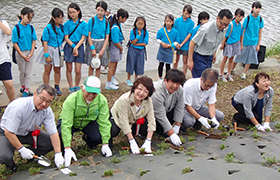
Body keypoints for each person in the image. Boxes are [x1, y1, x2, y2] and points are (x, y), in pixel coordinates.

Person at [0, 84, 64, 172]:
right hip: (7, 133)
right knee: (4, 156)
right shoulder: (19, 107)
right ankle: (11, 166)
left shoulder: (47, 111)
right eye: (42, 99)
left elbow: (53, 133)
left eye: (49, 101)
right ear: (35, 94)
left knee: (50, 143)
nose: (44, 104)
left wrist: (58, 153)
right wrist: (21, 149)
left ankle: (32, 156)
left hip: (28, 132)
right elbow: (8, 132)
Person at [57, 76, 114, 167]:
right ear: (82, 88)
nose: (91, 96)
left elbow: (104, 122)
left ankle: (88, 139)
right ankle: (64, 152)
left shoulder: (101, 100)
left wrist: (105, 143)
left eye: (94, 93)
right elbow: (66, 124)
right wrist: (67, 146)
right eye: (89, 92)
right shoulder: (71, 100)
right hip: (73, 121)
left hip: (88, 122)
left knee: (98, 137)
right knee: (60, 133)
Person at [111, 76, 156, 154]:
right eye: (140, 89)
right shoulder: (124, 100)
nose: (141, 93)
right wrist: (132, 141)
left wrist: (148, 140)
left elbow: (152, 119)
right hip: (118, 118)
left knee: (146, 129)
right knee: (113, 130)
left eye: (146, 91)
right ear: (134, 88)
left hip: (134, 119)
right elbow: (123, 122)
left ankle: (137, 134)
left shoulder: (148, 101)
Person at [188, 9, 233, 78]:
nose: (223, 26)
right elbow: (192, 43)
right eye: (222, 23)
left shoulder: (225, 28)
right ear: (217, 18)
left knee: (208, 78)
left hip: (209, 57)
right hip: (199, 56)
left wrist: (214, 53)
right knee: (201, 79)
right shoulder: (205, 29)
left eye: (226, 24)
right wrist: (190, 60)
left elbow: (216, 42)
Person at [151, 69, 185, 146]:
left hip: (166, 111)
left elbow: (180, 107)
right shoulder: (156, 92)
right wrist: (172, 134)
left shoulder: (180, 90)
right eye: (172, 82)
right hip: (153, 116)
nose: (175, 86)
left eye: (178, 83)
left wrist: (177, 126)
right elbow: (160, 115)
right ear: (165, 80)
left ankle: (164, 130)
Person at [36, 8, 64, 96]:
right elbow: (45, 42)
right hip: (49, 49)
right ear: (54, 18)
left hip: (58, 49)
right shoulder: (47, 28)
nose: (61, 20)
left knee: (57, 70)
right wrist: (46, 54)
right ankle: (46, 87)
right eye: (59, 18)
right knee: (47, 70)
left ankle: (56, 86)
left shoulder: (62, 27)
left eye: (62, 17)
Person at [232, 2, 263, 80]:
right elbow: (243, 31)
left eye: (259, 8)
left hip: (254, 42)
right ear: (252, 8)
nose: (258, 10)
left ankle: (244, 73)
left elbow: (260, 32)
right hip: (246, 41)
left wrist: (258, 44)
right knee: (238, 57)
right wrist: (241, 43)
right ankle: (231, 70)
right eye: (256, 8)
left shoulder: (260, 19)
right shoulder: (248, 18)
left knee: (250, 59)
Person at [12, 7, 37, 97]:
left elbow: (34, 40)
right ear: (22, 16)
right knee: (22, 71)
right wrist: (22, 55)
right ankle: (23, 87)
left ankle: (27, 89)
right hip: (20, 52)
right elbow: (15, 43)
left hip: (30, 52)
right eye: (28, 18)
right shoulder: (16, 28)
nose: (29, 20)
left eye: (31, 18)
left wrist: (31, 53)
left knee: (28, 71)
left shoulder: (31, 28)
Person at [64, 3, 88, 94]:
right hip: (69, 46)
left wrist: (77, 47)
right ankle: (71, 86)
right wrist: (73, 47)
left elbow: (83, 37)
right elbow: (66, 37)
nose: (72, 14)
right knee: (69, 69)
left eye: (74, 12)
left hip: (79, 46)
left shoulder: (83, 24)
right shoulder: (67, 24)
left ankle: (77, 86)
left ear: (78, 11)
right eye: (70, 12)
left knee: (78, 70)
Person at [105, 9, 129, 90]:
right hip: (115, 47)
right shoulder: (115, 27)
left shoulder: (118, 24)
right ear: (120, 17)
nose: (125, 20)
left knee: (115, 64)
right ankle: (108, 83)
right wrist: (121, 48)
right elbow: (115, 41)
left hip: (118, 46)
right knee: (111, 65)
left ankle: (112, 78)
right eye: (125, 18)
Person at [85, 1, 109, 78]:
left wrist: (103, 49)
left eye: (101, 10)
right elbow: (88, 35)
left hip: (101, 43)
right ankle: (90, 83)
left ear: (105, 11)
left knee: (99, 65)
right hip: (92, 43)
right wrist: (92, 48)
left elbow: (107, 37)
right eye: (98, 10)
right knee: (92, 65)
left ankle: (97, 84)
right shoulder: (91, 21)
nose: (99, 12)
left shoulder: (106, 22)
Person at [219, 8, 244, 82]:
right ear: (235, 15)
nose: (240, 18)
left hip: (236, 44)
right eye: (239, 16)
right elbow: (226, 36)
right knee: (224, 59)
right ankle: (221, 74)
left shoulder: (241, 25)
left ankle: (229, 73)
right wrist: (222, 44)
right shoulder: (231, 24)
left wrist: (241, 45)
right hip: (229, 44)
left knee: (231, 59)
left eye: (241, 16)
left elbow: (241, 35)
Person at [125, 16, 149, 86]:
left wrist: (136, 43)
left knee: (139, 64)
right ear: (135, 23)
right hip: (132, 50)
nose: (140, 25)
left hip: (141, 50)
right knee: (130, 63)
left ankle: (136, 78)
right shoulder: (133, 31)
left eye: (142, 24)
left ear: (144, 24)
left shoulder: (145, 32)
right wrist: (138, 36)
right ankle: (128, 79)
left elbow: (145, 43)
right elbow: (132, 42)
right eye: (139, 23)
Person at [156, 14, 179, 80]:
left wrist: (170, 45)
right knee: (161, 63)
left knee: (168, 65)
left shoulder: (175, 32)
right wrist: (162, 43)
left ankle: (167, 77)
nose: (168, 23)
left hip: (170, 50)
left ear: (172, 22)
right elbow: (157, 38)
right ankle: (160, 77)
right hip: (162, 49)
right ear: (164, 21)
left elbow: (177, 41)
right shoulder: (161, 30)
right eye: (167, 21)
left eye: (170, 21)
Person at [173, 5, 194, 75]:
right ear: (183, 12)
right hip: (177, 43)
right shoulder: (177, 21)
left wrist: (182, 44)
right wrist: (177, 43)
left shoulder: (191, 23)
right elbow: (174, 32)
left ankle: (183, 75)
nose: (187, 15)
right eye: (186, 13)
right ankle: (173, 74)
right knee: (176, 60)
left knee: (185, 61)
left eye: (189, 14)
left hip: (185, 45)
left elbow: (189, 34)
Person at [0, 18, 15, 101]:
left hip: (3, 59)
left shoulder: (3, 22)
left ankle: (13, 104)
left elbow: (8, 32)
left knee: (9, 84)